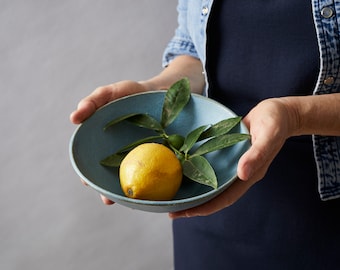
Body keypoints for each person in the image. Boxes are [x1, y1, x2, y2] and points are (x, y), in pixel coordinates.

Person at [70, 1, 340, 269]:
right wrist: (158, 92)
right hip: (203, 194)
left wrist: (296, 116)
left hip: (321, 217)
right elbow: (193, 50)